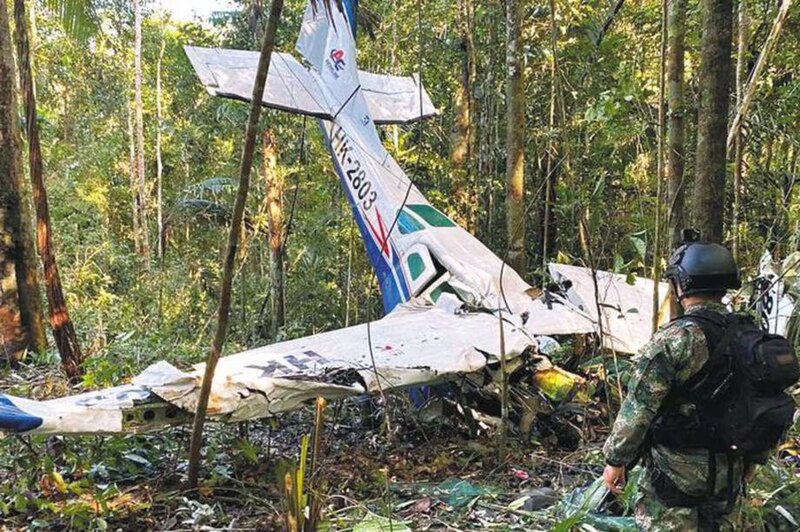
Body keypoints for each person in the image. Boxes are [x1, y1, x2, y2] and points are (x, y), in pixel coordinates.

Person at [602, 233, 754, 531]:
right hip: (731, 470)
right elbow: (766, 399)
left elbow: (639, 408)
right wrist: (755, 459)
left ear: (682, 284)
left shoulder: (676, 339)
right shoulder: (748, 335)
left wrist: (615, 460)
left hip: (674, 473)